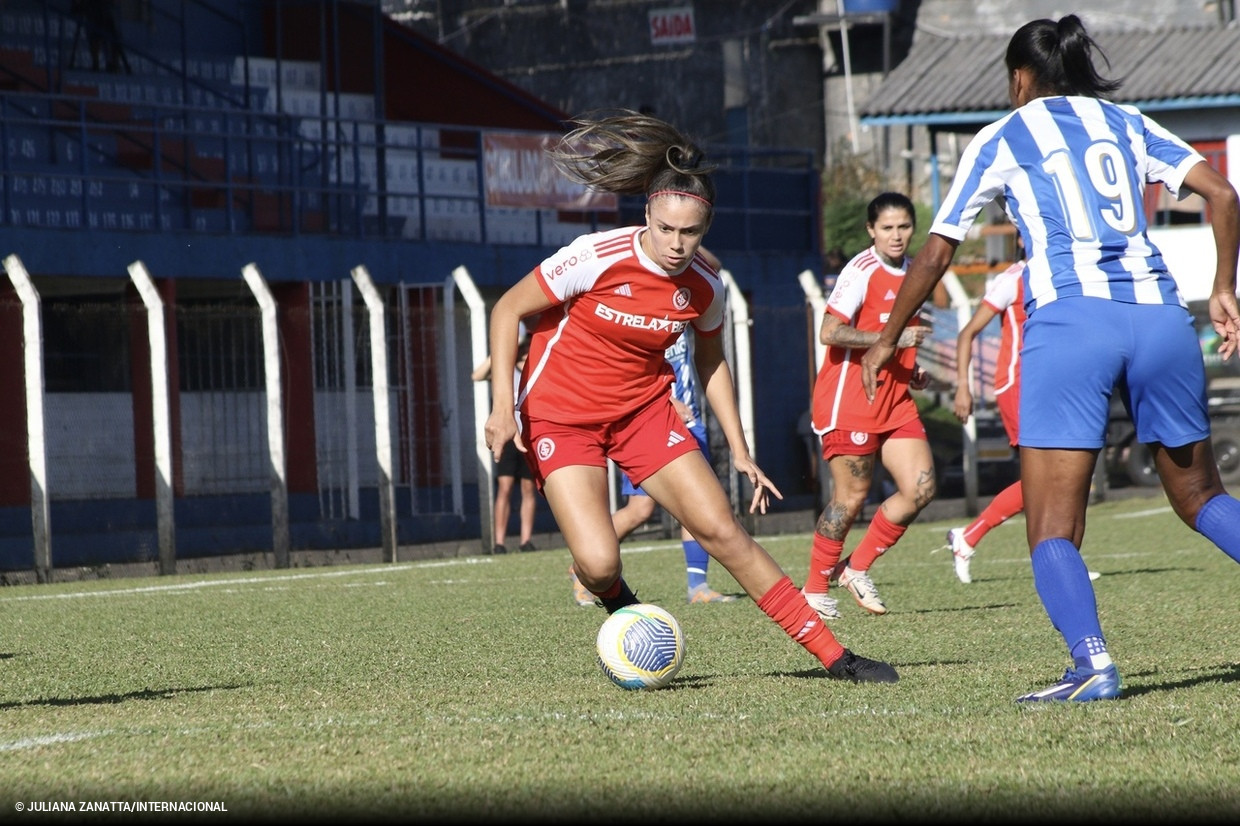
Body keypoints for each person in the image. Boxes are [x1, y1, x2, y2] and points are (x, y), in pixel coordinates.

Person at [860, 15, 1240, 703]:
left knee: (1052, 529)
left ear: (1019, 79)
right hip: (1160, 318)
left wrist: (887, 338)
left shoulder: (1004, 134)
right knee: (1203, 499)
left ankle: (1093, 665)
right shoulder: (1129, 122)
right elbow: (1223, 194)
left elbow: (940, 246)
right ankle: (1090, 664)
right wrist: (1222, 289)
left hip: (1073, 325)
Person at [483, 108, 898, 683]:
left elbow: (712, 361)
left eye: (691, 233)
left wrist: (742, 448)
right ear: (647, 214)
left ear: (706, 227)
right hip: (561, 418)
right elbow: (507, 309)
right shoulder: (592, 257)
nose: (677, 245)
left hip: (642, 412)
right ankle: (624, 613)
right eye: (667, 230)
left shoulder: (704, 286)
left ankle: (835, 657)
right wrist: (505, 409)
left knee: (723, 530)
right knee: (599, 561)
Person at [801, 192, 935, 621]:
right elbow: (830, 331)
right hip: (850, 398)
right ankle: (814, 589)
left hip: (895, 398)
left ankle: (856, 568)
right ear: (871, 231)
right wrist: (890, 342)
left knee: (921, 489)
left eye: (904, 227)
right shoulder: (861, 270)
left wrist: (910, 371)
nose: (897, 236)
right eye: (887, 228)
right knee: (852, 496)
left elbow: (901, 335)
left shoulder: (916, 272)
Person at [946, 255, 1102, 584]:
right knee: (1047, 478)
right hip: (1018, 384)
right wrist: (963, 386)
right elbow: (968, 332)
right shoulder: (1014, 278)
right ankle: (970, 537)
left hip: (1053, 383)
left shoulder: (1068, 271)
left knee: (1062, 474)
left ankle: (1059, 558)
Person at [572, 327, 740, 606]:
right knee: (640, 510)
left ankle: (698, 586)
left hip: (689, 423)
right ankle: (584, 565)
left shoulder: (686, 305)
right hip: (647, 424)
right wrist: (667, 401)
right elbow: (625, 368)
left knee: (697, 505)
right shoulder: (636, 315)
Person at [472, 339, 537, 554]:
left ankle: (525, 541)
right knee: (505, 487)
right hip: (508, 438)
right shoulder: (505, 372)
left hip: (530, 436)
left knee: (529, 488)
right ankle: (499, 543)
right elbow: (477, 376)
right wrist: (500, 354)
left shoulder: (536, 369)